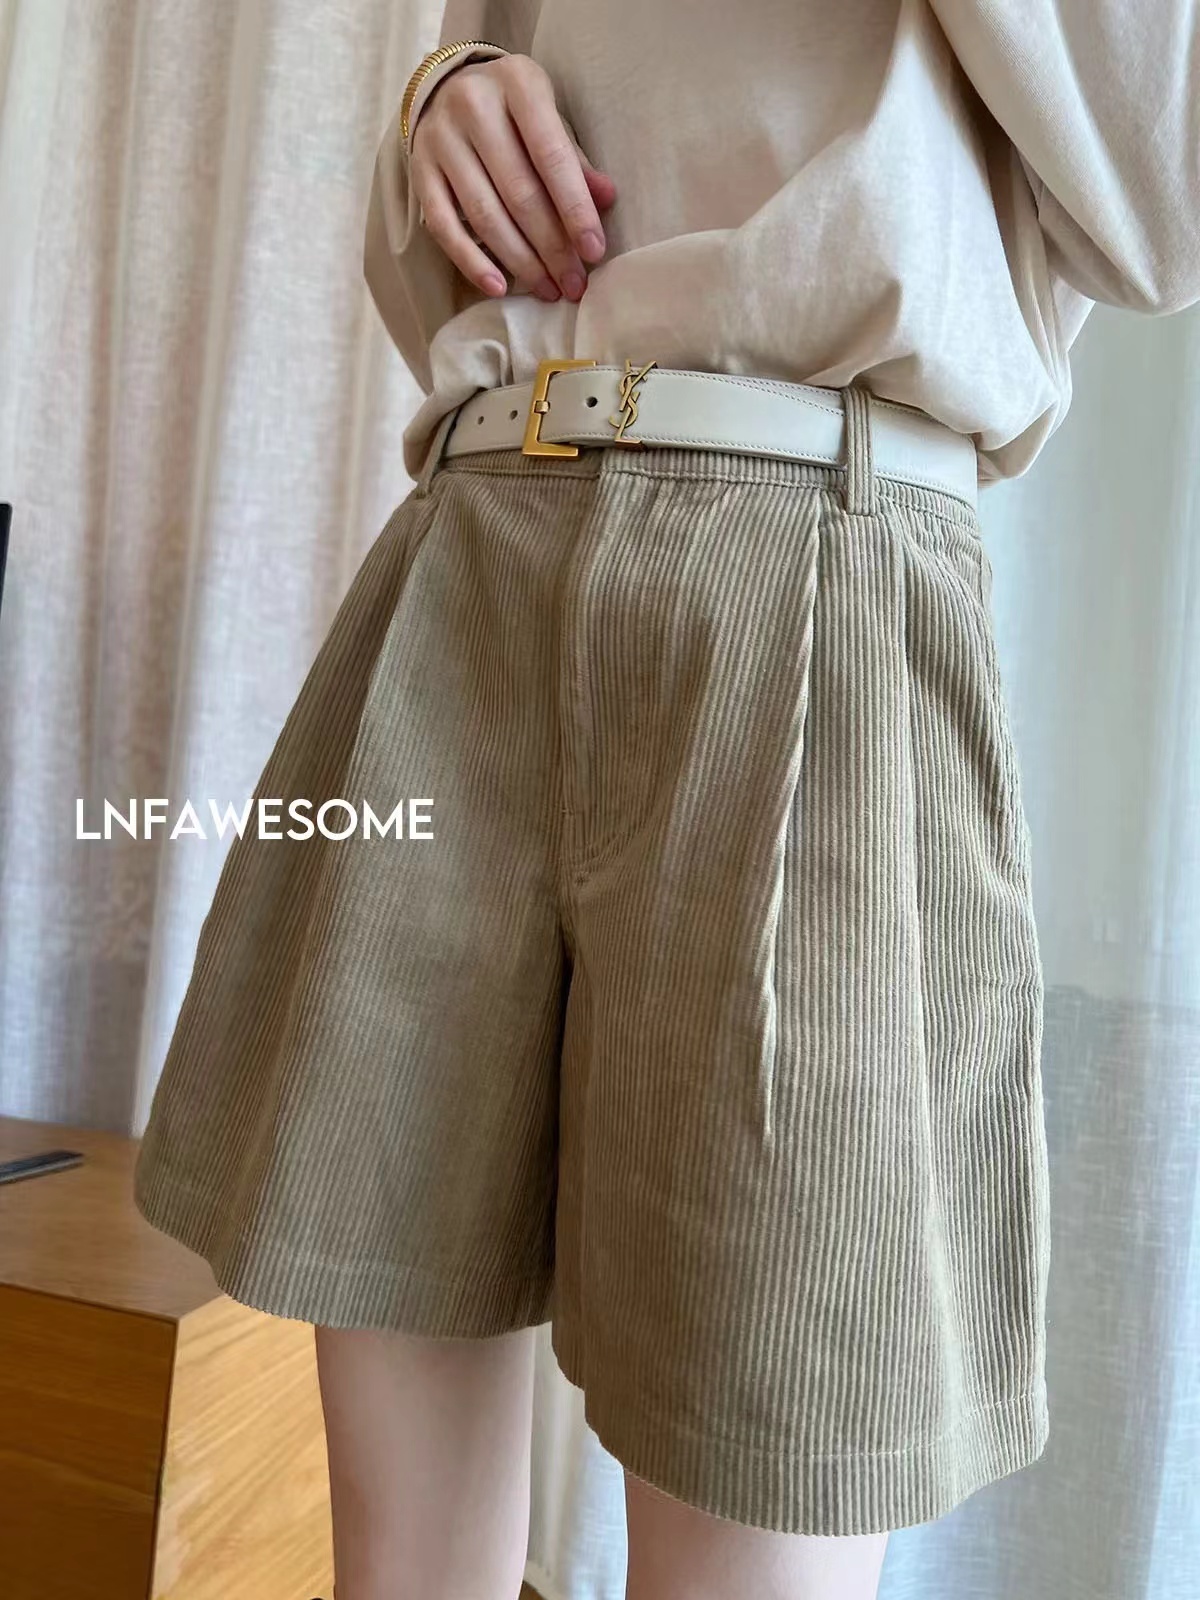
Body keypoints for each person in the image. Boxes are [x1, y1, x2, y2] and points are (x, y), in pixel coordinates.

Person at [134, 3, 1200, 1598]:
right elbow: (462, 166)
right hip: (473, 541)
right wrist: (446, 99)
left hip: (815, 580)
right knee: (394, 1546)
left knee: (768, 1465)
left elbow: (1165, 193)